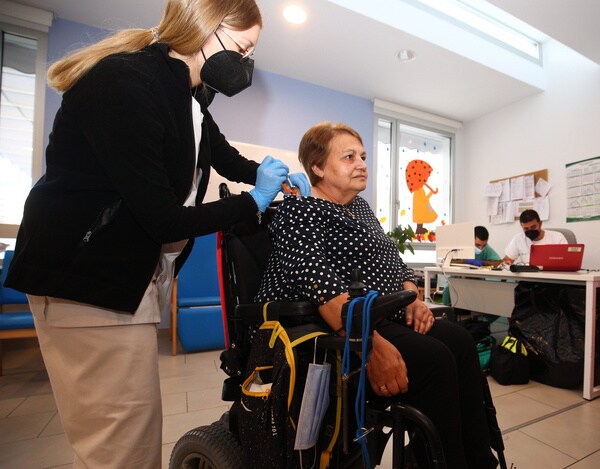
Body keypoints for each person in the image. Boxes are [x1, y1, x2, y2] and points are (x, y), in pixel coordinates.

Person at [5, 1, 310, 467]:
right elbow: (163, 219)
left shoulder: (187, 96)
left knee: (127, 432)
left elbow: (220, 154)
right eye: (243, 49)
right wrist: (254, 201)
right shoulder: (126, 83)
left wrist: (271, 175)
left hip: (120, 281)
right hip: (85, 280)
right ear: (206, 29)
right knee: (121, 446)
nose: (245, 64)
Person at [255, 122, 498, 468]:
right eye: (349, 156)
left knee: (459, 341)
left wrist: (413, 296)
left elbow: (396, 264)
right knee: (434, 360)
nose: (362, 163)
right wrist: (367, 344)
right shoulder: (300, 210)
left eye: (364, 156)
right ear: (318, 167)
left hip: (384, 313)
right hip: (338, 331)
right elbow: (322, 286)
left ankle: (476, 460)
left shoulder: (363, 210)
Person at [442, 225, 501, 305]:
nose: (481, 248)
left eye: (483, 245)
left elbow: (498, 262)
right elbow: (448, 261)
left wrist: (483, 262)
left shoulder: (486, 248)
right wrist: (466, 261)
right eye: (477, 245)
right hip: (458, 280)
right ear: (470, 239)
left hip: (477, 281)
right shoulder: (461, 247)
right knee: (447, 292)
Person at [502, 209, 567, 265]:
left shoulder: (557, 237)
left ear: (540, 223)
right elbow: (507, 260)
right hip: (528, 277)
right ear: (521, 226)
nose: (530, 230)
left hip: (553, 277)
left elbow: (567, 260)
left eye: (533, 227)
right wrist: (506, 263)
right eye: (526, 229)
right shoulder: (518, 239)